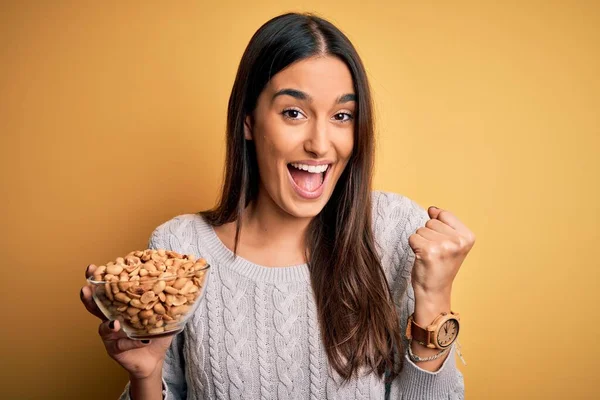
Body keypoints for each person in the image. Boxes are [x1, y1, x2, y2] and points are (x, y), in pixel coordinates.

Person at [80, 12, 475, 400]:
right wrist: (146, 378)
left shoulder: (395, 231)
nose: (320, 143)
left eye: (342, 115)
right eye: (293, 112)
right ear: (249, 121)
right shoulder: (181, 246)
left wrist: (435, 299)